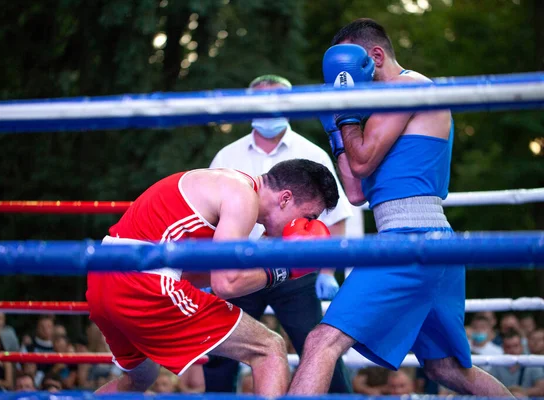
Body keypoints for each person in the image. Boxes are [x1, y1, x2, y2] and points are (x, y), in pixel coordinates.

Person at [288, 18, 512, 397]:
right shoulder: (380, 112)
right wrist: (336, 128)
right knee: (446, 368)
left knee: (320, 342)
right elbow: (357, 191)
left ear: (374, 56)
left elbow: (360, 162)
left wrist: (343, 112)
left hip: (413, 239)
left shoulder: (409, 87)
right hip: (424, 240)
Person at [87, 159, 339, 395]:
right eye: (309, 217)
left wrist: (263, 255)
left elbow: (191, 276)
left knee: (139, 379)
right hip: (142, 284)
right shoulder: (243, 197)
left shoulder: (228, 186)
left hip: (103, 280)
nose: (306, 226)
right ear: (285, 198)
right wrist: (286, 269)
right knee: (269, 348)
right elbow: (224, 284)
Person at [203, 74, 352, 393]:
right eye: (261, 100)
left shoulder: (312, 153)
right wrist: (202, 274)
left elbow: (334, 219)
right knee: (220, 351)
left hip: (296, 271)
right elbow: (209, 221)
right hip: (237, 266)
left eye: (277, 100)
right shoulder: (227, 155)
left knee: (317, 346)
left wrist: (327, 271)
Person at [490, 330, 544, 396]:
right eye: (508, 347)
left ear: (522, 346)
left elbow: (541, 389)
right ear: (503, 347)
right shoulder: (497, 364)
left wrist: (522, 393)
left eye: (515, 346)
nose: (512, 350)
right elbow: (489, 388)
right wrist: (510, 394)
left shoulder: (531, 362)